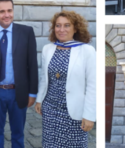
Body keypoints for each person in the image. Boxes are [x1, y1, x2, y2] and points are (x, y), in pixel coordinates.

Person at [0, 0, 38, 148]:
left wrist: (32, 93)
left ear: (13, 11)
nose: (6, 15)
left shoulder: (26, 32)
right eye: (2, 11)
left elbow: (32, 64)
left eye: (9, 10)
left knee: (18, 133)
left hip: (18, 92)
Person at [35, 11, 96, 148]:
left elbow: (93, 85)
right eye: (58, 25)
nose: (61, 30)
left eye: (67, 25)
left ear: (75, 28)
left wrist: (90, 115)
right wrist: (39, 99)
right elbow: (44, 78)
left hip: (73, 112)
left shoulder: (87, 51)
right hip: (50, 110)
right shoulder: (47, 49)